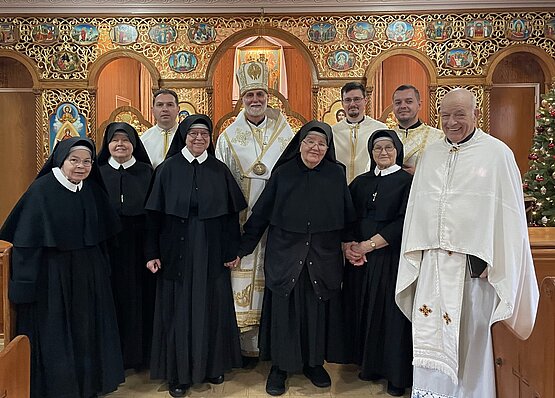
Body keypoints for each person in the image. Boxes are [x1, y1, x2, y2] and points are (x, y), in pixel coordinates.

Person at [395, 88, 539, 398]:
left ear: (476, 114)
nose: (451, 122)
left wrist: (497, 257)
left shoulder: (497, 154)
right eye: (445, 116)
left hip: (472, 271)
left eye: (460, 114)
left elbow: (509, 215)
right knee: (428, 336)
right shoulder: (431, 154)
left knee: (470, 344)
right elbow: (418, 211)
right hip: (433, 266)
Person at [232, 120, 355, 396]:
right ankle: (280, 367)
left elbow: (347, 215)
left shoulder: (336, 174)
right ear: (300, 145)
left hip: (322, 257)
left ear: (328, 148)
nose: (315, 147)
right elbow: (262, 213)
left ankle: (313, 363)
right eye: (310, 142)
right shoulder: (284, 173)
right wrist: (242, 248)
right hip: (286, 254)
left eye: (322, 143)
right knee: (284, 311)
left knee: (316, 309)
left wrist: (351, 244)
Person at [0, 137, 124, 398]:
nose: (81, 166)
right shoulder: (41, 191)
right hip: (52, 277)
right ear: (61, 160)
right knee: (57, 334)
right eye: (74, 160)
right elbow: (27, 243)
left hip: (87, 275)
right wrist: (24, 287)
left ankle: (87, 386)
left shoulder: (90, 191)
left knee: (87, 333)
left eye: (87, 161)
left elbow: (101, 238)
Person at [144, 114, 247, 398]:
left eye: (204, 134)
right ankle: (178, 374)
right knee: (178, 310)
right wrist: (151, 252)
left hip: (211, 251)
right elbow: (153, 217)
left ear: (210, 138)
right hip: (175, 251)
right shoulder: (166, 170)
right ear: (184, 136)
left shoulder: (219, 170)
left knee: (211, 308)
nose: (199, 138)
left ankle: (211, 365)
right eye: (193, 134)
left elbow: (229, 216)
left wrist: (232, 250)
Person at [215, 59, 294, 361]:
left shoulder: (287, 135)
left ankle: (269, 342)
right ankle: (243, 346)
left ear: (268, 97)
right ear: (242, 99)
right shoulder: (226, 137)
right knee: (240, 276)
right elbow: (221, 182)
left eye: (260, 94)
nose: (256, 100)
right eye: (250, 96)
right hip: (241, 218)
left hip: (276, 221)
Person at [342, 129, 413, 397]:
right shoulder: (361, 181)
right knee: (363, 309)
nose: (383, 153)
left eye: (388, 148)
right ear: (371, 153)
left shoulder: (407, 182)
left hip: (388, 257)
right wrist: (349, 246)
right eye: (377, 149)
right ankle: (367, 365)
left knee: (390, 316)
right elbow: (347, 215)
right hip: (360, 261)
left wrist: (368, 245)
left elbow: (403, 221)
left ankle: (395, 374)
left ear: (397, 150)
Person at [97, 122, 154, 370]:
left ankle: (140, 357)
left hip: (140, 249)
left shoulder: (147, 172)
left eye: (125, 140)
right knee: (110, 301)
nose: (120, 145)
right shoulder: (96, 173)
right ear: (107, 144)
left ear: (134, 144)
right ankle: (113, 357)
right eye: (115, 140)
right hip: (108, 249)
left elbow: (154, 214)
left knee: (141, 301)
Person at [332, 82, 387, 183]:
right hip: (339, 187)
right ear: (342, 103)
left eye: (357, 99)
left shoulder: (380, 129)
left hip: (370, 186)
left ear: (365, 100)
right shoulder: (333, 131)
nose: (352, 104)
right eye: (348, 100)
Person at [392, 84, 443, 174]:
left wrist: (420, 174)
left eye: (409, 101)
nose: (403, 106)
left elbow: (445, 170)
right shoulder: (386, 136)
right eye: (398, 103)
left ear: (419, 105)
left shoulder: (439, 137)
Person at [140, 89, 180, 168]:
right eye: (160, 105)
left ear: (178, 109)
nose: (165, 109)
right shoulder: (144, 139)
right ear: (153, 110)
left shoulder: (187, 137)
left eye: (170, 105)